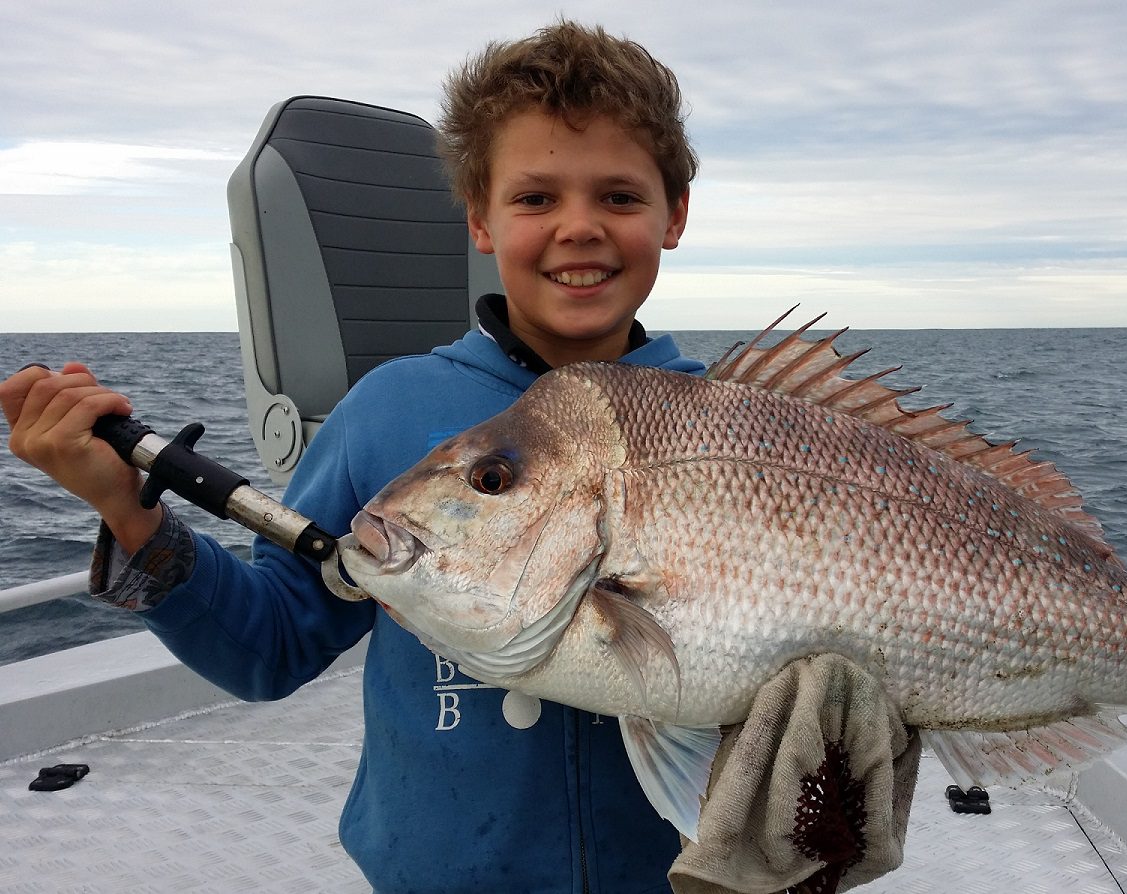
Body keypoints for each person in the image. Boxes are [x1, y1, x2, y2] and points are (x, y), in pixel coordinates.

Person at [0, 21, 700, 893]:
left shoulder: (737, 418)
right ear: (478, 218)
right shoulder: (391, 410)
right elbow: (271, 644)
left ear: (673, 215)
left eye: (621, 198)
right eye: (535, 199)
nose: (579, 228)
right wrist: (128, 513)